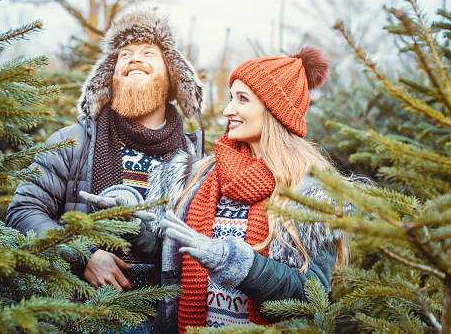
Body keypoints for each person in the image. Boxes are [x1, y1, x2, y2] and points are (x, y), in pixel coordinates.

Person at [117, 47, 349, 333]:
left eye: (242, 99)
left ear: (274, 109)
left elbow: (312, 295)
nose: (228, 110)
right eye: (231, 98)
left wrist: (239, 265)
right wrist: (132, 219)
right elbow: (169, 253)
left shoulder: (310, 191)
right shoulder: (200, 174)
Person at [5, 8, 204, 332]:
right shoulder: (72, 142)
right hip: (87, 317)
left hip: (168, 321)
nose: (134, 59)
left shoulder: (196, 157)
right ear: (108, 79)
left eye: (148, 53)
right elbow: (22, 211)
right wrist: (82, 256)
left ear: (171, 78)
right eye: (124, 55)